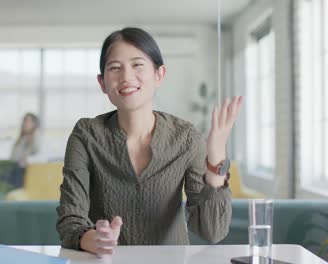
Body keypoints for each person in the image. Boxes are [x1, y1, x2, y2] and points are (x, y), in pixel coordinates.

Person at [56, 27, 243, 256]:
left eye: (137, 65)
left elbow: (211, 231)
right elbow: (70, 218)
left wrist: (215, 161)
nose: (126, 76)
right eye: (115, 68)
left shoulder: (185, 138)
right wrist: (91, 238)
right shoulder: (86, 135)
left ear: (159, 75)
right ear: (103, 82)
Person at [2, 113, 40, 188]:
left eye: (28, 121)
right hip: (13, 168)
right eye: (24, 121)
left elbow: (39, 157)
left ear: (34, 124)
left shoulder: (36, 139)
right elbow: (13, 156)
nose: (25, 123)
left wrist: (26, 160)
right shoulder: (20, 139)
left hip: (24, 171)